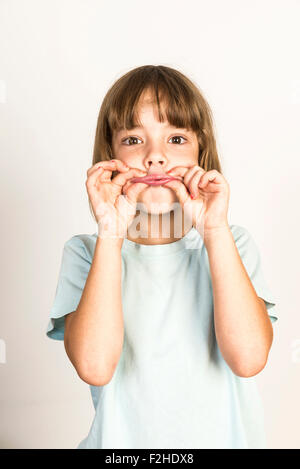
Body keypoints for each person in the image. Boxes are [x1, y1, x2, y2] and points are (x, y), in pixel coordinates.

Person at [45, 65, 278, 449]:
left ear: (201, 148)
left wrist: (214, 231)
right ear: (110, 153)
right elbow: (95, 366)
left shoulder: (231, 242)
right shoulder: (87, 252)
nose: (155, 157)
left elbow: (249, 358)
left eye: (175, 138)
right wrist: (111, 232)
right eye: (134, 140)